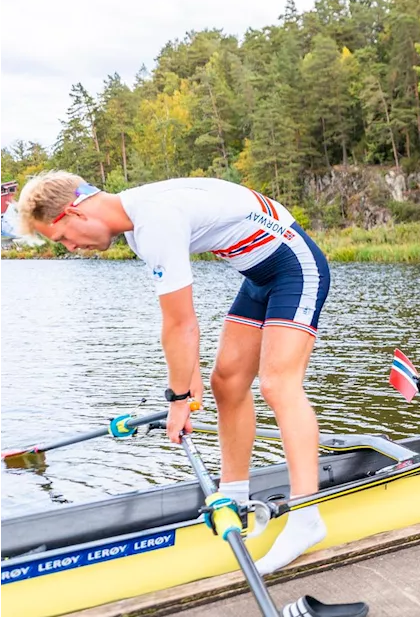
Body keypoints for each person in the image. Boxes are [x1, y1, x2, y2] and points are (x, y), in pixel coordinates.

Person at [17, 173, 331, 574]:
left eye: (62, 237)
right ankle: (235, 499)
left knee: (277, 383)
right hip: (259, 275)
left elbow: (180, 324)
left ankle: (306, 518)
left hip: (295, 265)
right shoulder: (137, 223)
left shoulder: (153, 221)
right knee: (227, 383)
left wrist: (179, 399)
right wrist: (189, 376)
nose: (72, 247)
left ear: (74, 210)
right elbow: (182, 321)